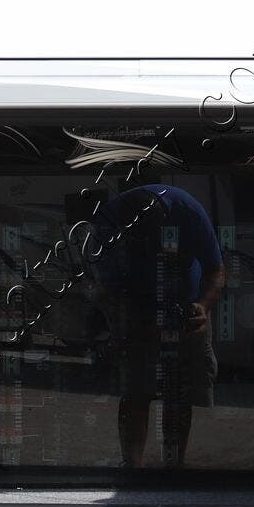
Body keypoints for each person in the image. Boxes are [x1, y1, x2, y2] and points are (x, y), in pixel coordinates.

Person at [92, 183, 224, 470]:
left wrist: (203, 306)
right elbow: (107, 289)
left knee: (180, 392)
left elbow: (215, 271)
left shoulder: (189, 211)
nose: (151, 251)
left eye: (155, 241)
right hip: (136, 305)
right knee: (137, 389)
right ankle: (132, 467)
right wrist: (135, 324)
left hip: (187, 305)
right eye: (142, 244)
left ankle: (174, 466)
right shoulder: (107, 225)